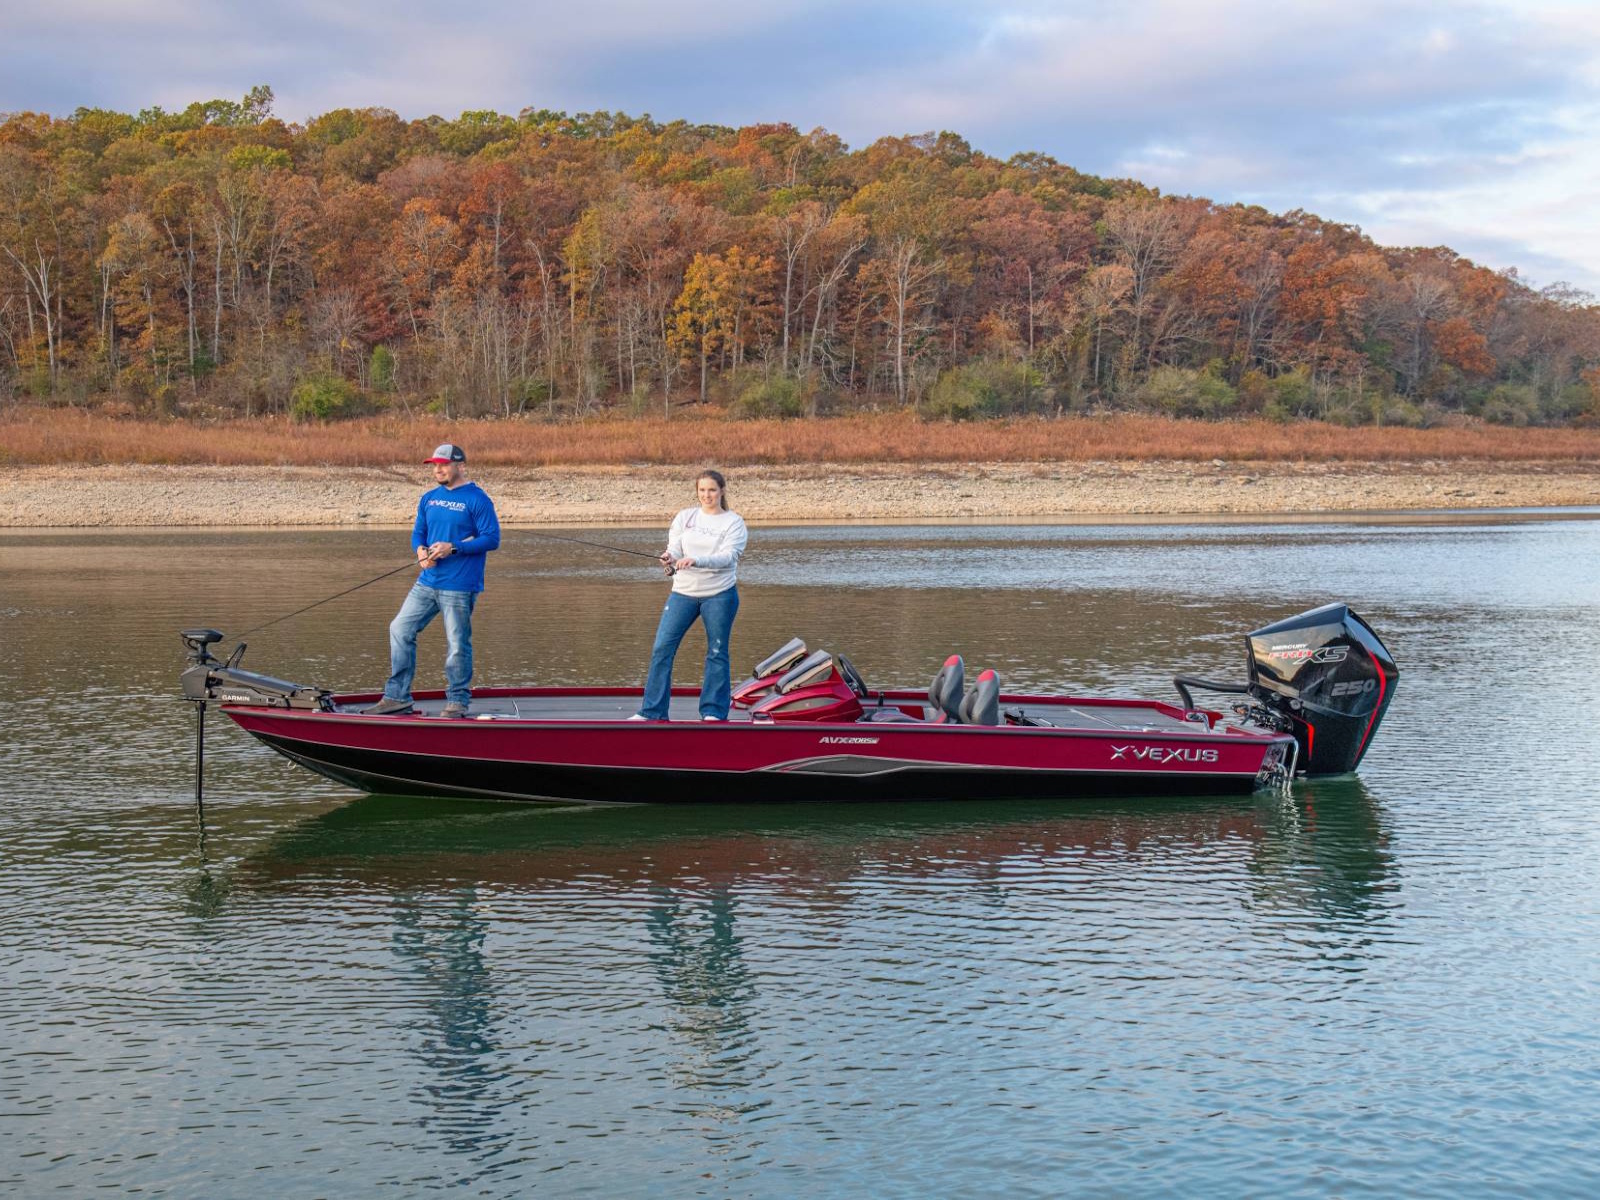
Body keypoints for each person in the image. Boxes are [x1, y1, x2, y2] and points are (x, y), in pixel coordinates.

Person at [364, 443, 501, 718]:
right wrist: (420, 552)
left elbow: (491, 539)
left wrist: (454, 547)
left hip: (459, 585)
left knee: (457, 644)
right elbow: (419, 533)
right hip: (427, 582)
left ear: (460, 466)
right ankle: (397, 697)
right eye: (435, 465)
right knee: (400, 629)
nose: (438, 469)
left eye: (444, 464)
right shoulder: (429, 498)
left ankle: (457, 701)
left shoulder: (478, 499)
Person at [631, 470, 748, 722]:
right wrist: (670, 556)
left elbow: (729, 557)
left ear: (722, 491)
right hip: (682, 594)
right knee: (662, 648)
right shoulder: (685, 517)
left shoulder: (733, 522)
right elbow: (674, 548)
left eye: (712, 490)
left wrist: (696, 560)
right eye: (702, 490)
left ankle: (713, 712)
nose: (707, 495)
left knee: (717, 651)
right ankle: (653, 712)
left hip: (720, 595)